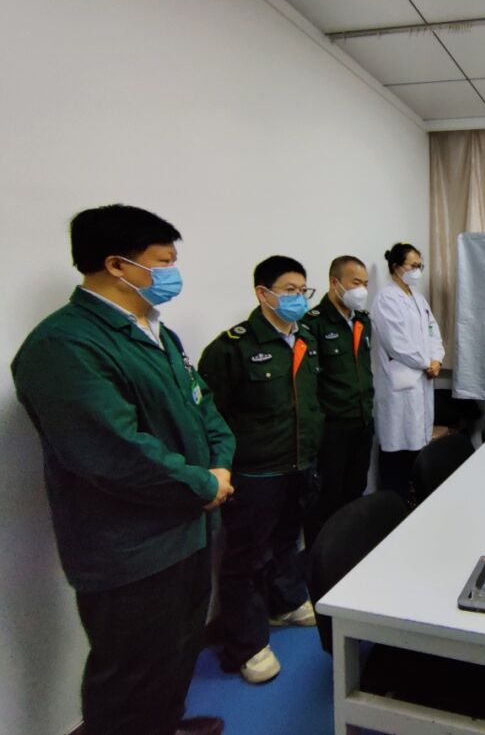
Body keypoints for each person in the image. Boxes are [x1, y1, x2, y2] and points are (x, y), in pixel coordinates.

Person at [11, 204, 233, 735]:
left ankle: (166, 724)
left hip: (189, 528)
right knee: (130, 676)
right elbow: (115, 453)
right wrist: (204, 483)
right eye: (163, 262)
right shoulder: (63, 345)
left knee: (177, 652)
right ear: (116, 265)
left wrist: (220, 462)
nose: (173, 273)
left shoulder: (156, 332)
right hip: (131, 551)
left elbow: (203, 405)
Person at [198, 256, 324, 684]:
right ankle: (246, 644)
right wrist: (222, 467)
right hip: (255, 472)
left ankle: (285, 603)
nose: (299, 298)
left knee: (288, 540)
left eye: (303, 290)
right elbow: (210, 415)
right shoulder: (232, 348)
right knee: (245, 558)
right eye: (289, 290)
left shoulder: (305, 339)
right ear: (263, 293)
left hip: (299, 464)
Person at [302, 255, 374, 548]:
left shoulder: (362, 321)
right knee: (326, 500)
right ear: (335, 282)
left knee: (354, 493)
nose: (362, 290)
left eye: (365, 284)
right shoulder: (313, 324)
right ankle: (321, 561)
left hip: (362, 421)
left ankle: (350, 553)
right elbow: (309, 382)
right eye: (356, 283)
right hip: (331, 428)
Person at [369, 242, 444, 501]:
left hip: (422, 380)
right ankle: (392, 506)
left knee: (416, 448)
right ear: (396, 267)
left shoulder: (418, 299)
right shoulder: (385, 299)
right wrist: (426, 362)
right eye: (413, 266)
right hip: (399, 387)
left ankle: (411, 503)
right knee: (396, 451)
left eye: (420, 266)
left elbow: (433, 331)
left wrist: (437, 359)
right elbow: (397, 343)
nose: (418, 271)